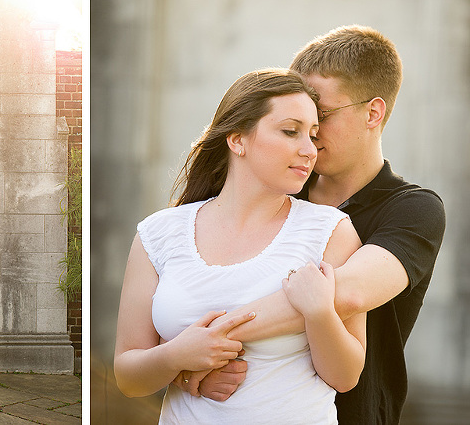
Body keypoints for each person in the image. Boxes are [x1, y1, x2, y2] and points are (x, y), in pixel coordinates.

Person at [185, 26, 446, 424]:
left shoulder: (413, 209)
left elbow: (346, 293)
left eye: (321, 115)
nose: (310, 132)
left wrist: (204, 345)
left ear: (373, 112)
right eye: (298, 119)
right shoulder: (275, 192)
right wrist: (183, 360)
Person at [114, 68, 367, 423]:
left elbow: (346, 377)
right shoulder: (158, 234)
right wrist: (176, 358)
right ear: (237, 140)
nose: (309, 150)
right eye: (290, 131)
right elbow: (127, 377)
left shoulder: (330, 231)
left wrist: (320, 312)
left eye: (312, 135)